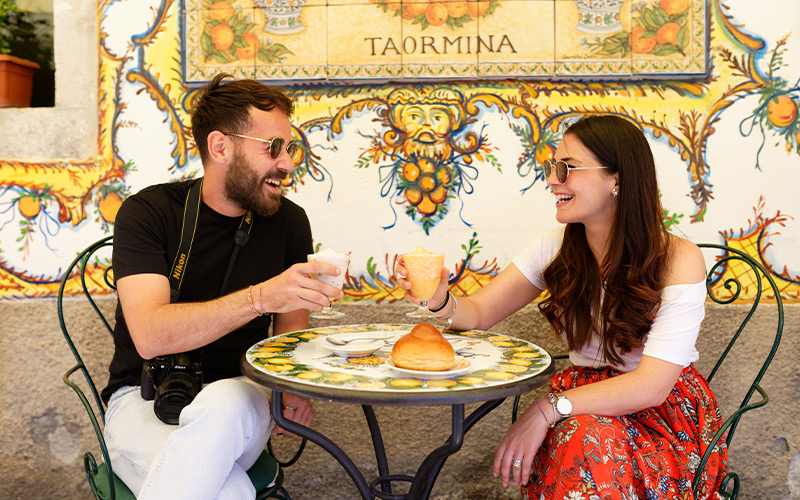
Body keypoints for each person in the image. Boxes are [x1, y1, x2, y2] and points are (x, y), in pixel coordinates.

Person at [396, 115, 728, 499]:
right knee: (583, 438)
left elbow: (652, 386)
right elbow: (479, 312)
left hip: (661, 420)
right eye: (552, 168)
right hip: (578, 409)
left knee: (585, 439)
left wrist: (546, 409)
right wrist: (438, 299)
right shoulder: (555, 248)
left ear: (617, 180)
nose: (552, 180)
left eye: (566, 168)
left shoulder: (678, 259)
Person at [101, 73, 344, 499]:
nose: (287, 164)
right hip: (143, 398)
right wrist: (261, 297)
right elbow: (150, 336)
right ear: (220, 147)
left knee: (227, 401)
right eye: (273, 147)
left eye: (289, 148)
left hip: (242, 399)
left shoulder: (289, 222)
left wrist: (292, 390)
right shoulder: (148, 213)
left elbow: (290, 338)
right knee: (229, 491)